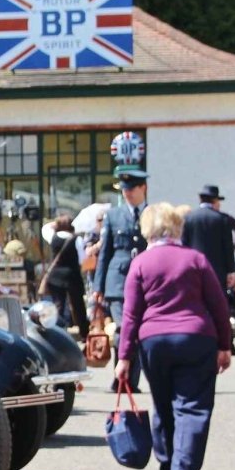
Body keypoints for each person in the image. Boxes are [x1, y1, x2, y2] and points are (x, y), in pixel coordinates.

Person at [114, 203, 232, 470]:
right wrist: (225, 345)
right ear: (177, 227)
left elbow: (130, 315)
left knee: (163, 405)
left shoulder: (140, 263)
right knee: (193, 407)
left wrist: (124, 357)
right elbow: (219, 305)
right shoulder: (195, 260)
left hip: (154, 341)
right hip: (196, 337)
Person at [94, 167, 150, 389]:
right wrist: (98, 286)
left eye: (132, 188)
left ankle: (131, 380)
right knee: (122, 329)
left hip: (146, 281)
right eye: (124, 189)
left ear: (143, 188)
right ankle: (121, 380)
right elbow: (105, 253)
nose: (127, 193)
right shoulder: (114, 216)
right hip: (118, 281)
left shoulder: (152, 214)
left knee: (137, 331)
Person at [182, 184, 235, 352]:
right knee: (220, 307)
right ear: (214, 200)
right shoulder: (221, 219)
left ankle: (196, 337)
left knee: (195, 304)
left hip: (194, 270)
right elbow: (227, 247)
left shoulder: (189, 218)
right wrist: (231, 270)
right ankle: (224, 341)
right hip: (217, 270)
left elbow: (184, 245)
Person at [41, 212, 87, 331]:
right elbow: (82, 259)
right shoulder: (77, 239)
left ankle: (58, 330)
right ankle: (83, 331)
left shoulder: (53, 237)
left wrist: (57, 223)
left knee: (58, 305)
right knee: (78, 305)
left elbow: (45, 228)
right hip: (72, 275)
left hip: (55, 276)